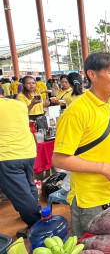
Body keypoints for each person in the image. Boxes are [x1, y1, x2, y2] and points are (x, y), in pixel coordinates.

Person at [52, 52, 110, 237]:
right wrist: (103, 168)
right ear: (92, 74)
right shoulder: (76, 111)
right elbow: (59, 159)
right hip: (91, 202)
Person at [0, 87, 41, 238]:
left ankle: (37, 226)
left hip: (7, 157)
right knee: (28, 187)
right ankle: (38, 216)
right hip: (28, 152)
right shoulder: (18, 104)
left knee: (20, 195)